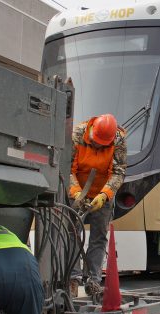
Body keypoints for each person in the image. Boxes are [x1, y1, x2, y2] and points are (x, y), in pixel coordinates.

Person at [69, 114, 127, 295]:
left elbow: (119, 172)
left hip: (102, 192)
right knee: (72, 232)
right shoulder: (77, 134)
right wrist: (76, 192)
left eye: (102, 144)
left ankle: (93, 281)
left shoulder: (117, 140)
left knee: (99, 236)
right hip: (78, 190)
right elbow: (66, 167)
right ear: (91, 131)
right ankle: (73, 277)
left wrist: (105, 195)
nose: (97, 146)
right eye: (95, 142)